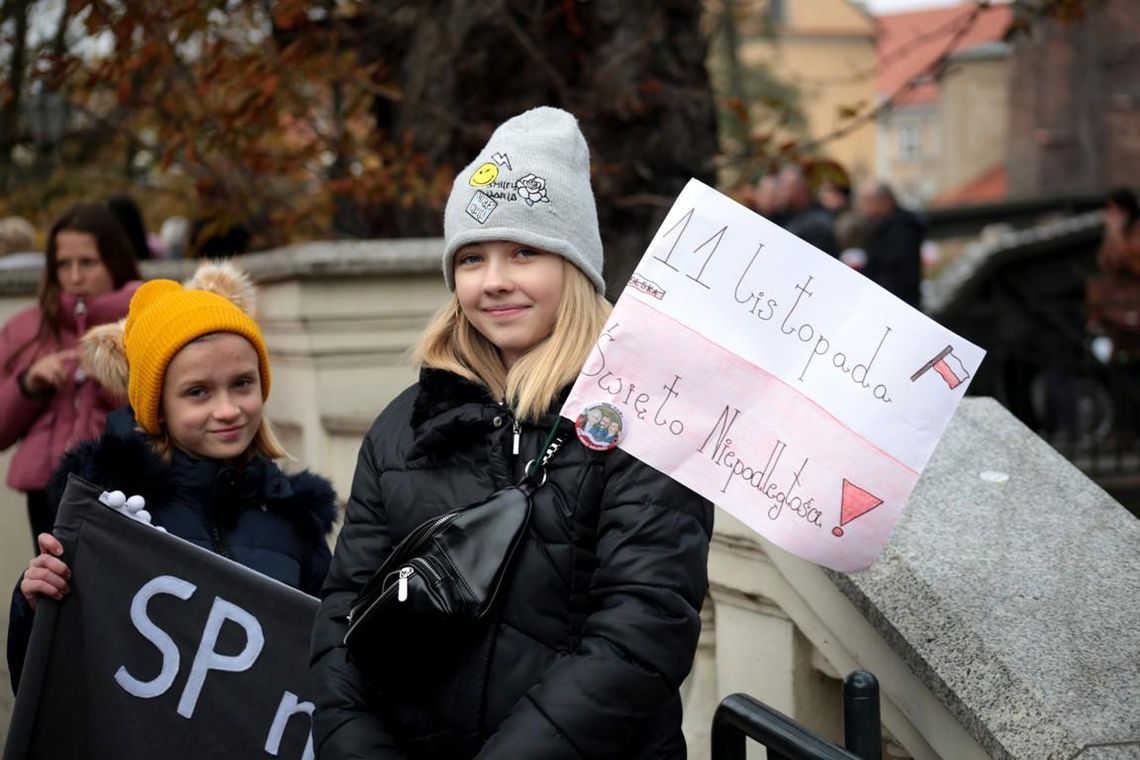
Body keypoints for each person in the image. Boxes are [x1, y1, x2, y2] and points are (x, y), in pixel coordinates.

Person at [310, 106, 713, 759]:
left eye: (524, 252)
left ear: (574, 268)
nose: (494, 281)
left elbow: (643, 630)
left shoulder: (644, 419)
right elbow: (344, 616)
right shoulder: (401, 428)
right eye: (472, 259)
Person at [8, 260, 338, 692]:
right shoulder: (109, 517)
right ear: (157, 406)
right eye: (198, 392)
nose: (227, 409)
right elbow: (54, 686)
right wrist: (31, 607)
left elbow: (330, 661)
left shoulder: (292, 520)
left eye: (242, 383)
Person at [0, 202, 141, 549]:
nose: (75, 277)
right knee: (55, 593)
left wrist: (107, 374)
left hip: (129, 490)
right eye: (64, 264)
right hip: (47, 494)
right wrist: (28, 385)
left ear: (114, 261)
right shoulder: (27, 328)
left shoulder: (146, 320)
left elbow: (167, 413)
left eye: (88, 262)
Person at [857, 179, 925, 309]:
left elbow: (894, 269)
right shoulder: (877, 225)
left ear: (885, 201)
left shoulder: (904, 228)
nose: (864, 207)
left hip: (899, 302)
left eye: (868, 202)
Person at [778, 165, 838, 256]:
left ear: (800, 188)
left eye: (785, 187)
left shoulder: (819, 222)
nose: (780, 191)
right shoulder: (784, 214)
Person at [1096, 187, 1140, 277]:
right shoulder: (1114, 232)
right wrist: (1111, 235)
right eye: (1109, 210)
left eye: (1115, 211)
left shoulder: (1137, 229)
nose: (1111, 215)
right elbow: (1104, 263)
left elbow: (1130, 262)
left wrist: (1116, 234)